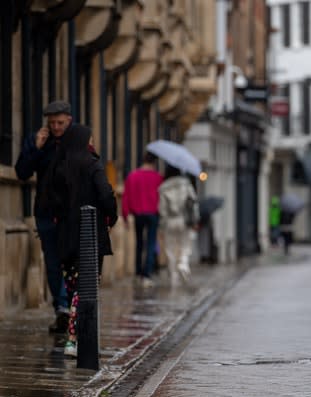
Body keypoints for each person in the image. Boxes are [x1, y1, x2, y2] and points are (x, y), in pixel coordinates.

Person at [40, 124, 118, 357]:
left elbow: (49, 199)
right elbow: (105, 193)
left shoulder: (58, 165)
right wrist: (110, 217)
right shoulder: (92, 163)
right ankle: (73, 339)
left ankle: (77, 338)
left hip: (64, 236)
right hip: (90, 234)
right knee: (86, 288)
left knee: (74, 285)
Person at [14, 100, 73, 333]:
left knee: (70, 261)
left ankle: (69, 306)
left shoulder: (77, 141)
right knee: (52, 262)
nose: (56, 127)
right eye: (52, 123)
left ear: (69, 119)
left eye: (60, 123)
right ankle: (61, 308)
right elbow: (21, 172)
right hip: (46, 212)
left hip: (69, 213)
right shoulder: (39, 140)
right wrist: (36, 149)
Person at [121, 152, 164, 286]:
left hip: (138, 214)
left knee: (139, 243)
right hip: (152, 214)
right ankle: (147, 274)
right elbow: (161, 198)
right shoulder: (158, 178)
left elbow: (126, 196)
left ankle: (138, 272)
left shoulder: (132, 176)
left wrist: (125, 215)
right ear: (154, 163)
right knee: (151, 243)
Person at [158, 165, 199, 287]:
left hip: (170, 220)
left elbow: (162, 209)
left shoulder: (163, 188)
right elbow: (194, 203)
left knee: (170, 248)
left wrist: (162, 225)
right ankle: (183, 263)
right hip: (184, 219)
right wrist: (195, 220)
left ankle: (173, 276)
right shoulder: (186, 184)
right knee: (185, 245)